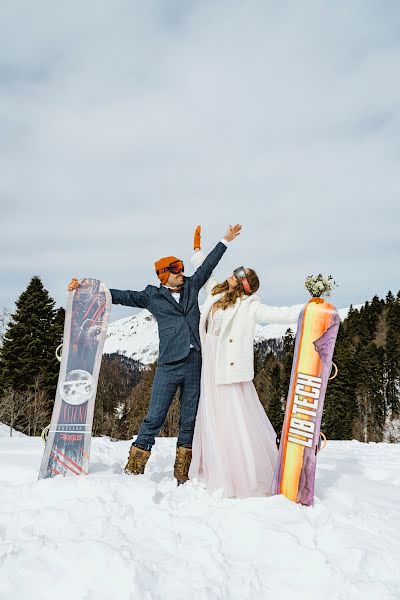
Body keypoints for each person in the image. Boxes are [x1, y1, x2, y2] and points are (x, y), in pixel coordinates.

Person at [68, 224, 241, 483]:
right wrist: (85, 288)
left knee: (188, 418)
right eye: (175, 269)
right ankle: (135, 466)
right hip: (169, 364)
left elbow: (208, 265)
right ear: (163, 274)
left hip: (195, 362)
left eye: (181, 267)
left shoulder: (193, 286)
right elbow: (121, 296)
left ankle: (182, 472)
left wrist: (225, 240)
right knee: (155, 416)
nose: (181, 272)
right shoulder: (152, 296)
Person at [188, 232, 304, 498]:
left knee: (233, 416)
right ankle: (214, 464)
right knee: (213, 413)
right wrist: (197, 250)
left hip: (227, 366)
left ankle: (242, 472)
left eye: (239, 272)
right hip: (211, 361)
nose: (233, 272)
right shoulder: (217, 294)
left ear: (244, 283)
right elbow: (207, 272)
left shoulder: (249, 305)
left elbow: (276, 314)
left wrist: (307, 309)